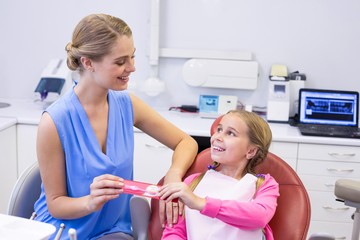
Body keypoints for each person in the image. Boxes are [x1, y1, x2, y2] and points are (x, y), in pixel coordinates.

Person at [33, 13, 198, 240]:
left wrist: (173, 176)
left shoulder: (127, 104)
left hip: (113, 231)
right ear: (88, 63)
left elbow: (185, 142)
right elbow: (55, 205)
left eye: (132, 57)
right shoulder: (54, 121)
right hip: (63, 230)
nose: (131, 67)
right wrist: (90, 202)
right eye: (120, 62)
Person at [159, 110, 280, 240]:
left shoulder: (264, 185)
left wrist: (201, 203)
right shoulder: (193, 182)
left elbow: (260, 217)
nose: (217, 137)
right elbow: (174, 232)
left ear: (251, 151)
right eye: (219, 130)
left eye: (231, 133)